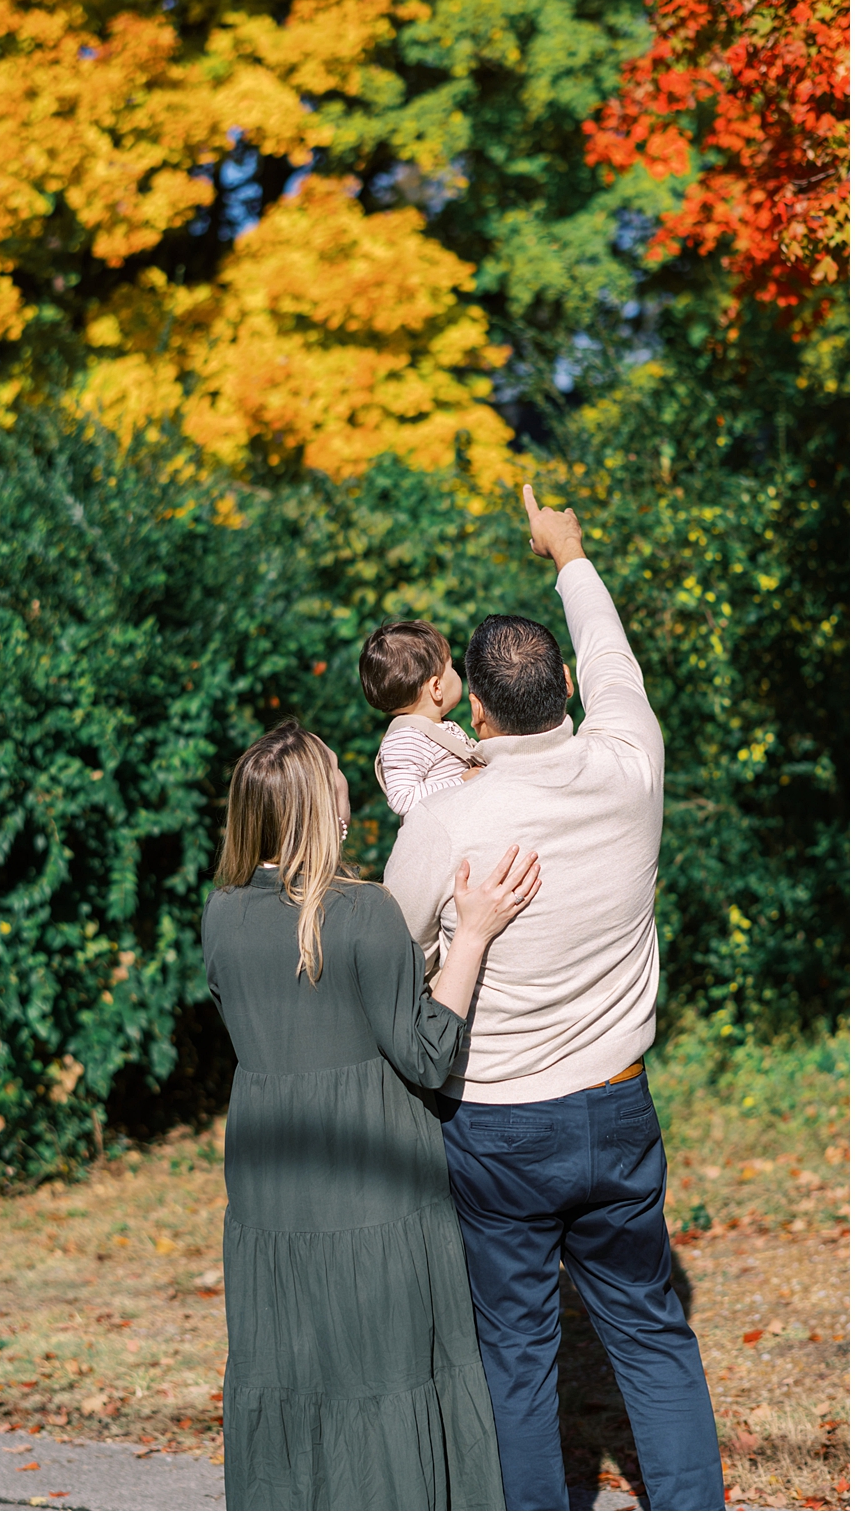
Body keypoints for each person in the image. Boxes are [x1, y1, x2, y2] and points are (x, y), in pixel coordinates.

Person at [383, 484, 726, 1513]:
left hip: (496, 1125)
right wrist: (566, 551)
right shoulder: (631, 764)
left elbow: (392, 948)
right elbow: (614, 657)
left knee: (519, 1353)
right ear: (565, 686)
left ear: (474, 709)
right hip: (618, 1104)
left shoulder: (449, 825)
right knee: (656, 1335)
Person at [201, 720, 540, 1511]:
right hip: (373, 1173)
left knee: (295, 1367)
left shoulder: (220, 914)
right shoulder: (364, 913)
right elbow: (428, 1054)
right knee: (386, 1375)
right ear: (327, 805)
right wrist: (475, 935)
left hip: (269, 1178)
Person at [359, 619, 483, 815]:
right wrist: (461, 781)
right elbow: (402, 799)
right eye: (451, 667)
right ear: (436, 688)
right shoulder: (406, 738)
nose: (456, 673)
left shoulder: (435, 728)